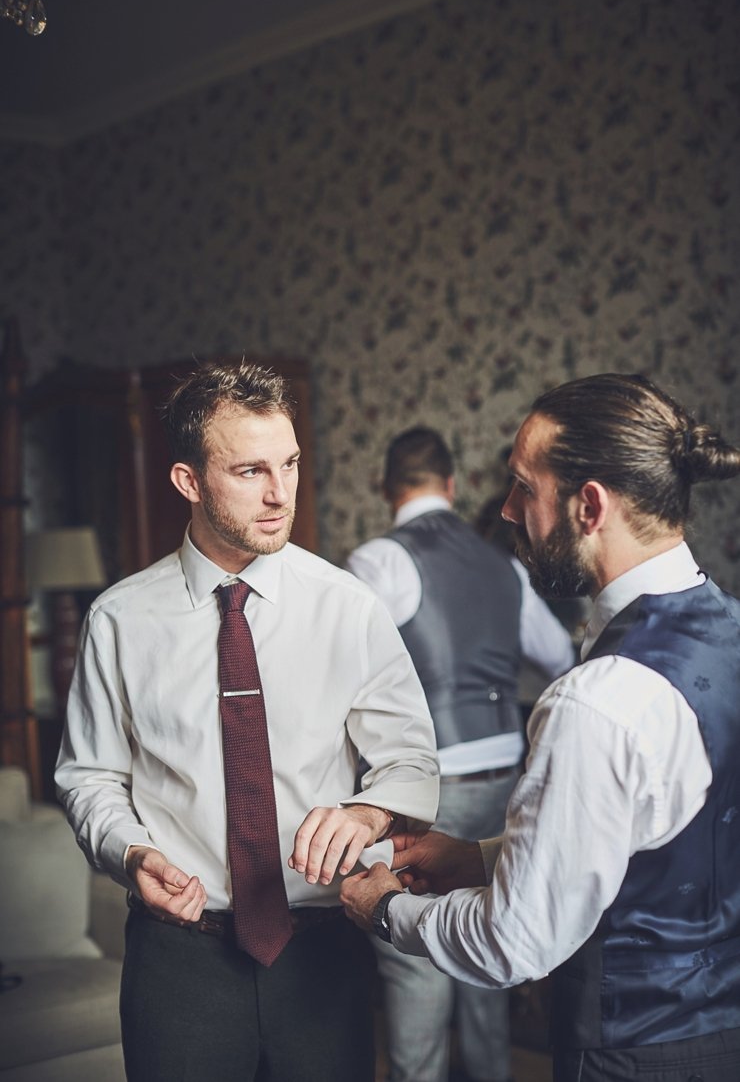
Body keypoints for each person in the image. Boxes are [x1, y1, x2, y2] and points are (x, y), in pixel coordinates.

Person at [341, 372, 740, 1082]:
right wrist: (483, 858)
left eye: (525, 486)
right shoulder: (731, 632)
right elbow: (657, 829)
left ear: (589, 505)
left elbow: (512, 942)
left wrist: (386, 910)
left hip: (632, 1053)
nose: (507, 508)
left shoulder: (593, 704)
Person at [55, 360, 439, 1082]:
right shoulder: (118, 620)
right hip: (179, 957)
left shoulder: (347, 605)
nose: (279, 494)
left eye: (290, 464)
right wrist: (132, 855)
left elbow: (410, 761)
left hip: (325, 947)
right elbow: (90, 777)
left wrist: (367, 812)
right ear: (188, 481)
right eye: (250, 470)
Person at [346, 427, 574, 1082]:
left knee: (415, 964)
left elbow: (334, 678)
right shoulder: (504, 565)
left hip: (427, 789)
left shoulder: (374, 563)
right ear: (451, 486)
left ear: (387, 487)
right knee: (486, 957)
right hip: (506, 780)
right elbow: (561, 659)